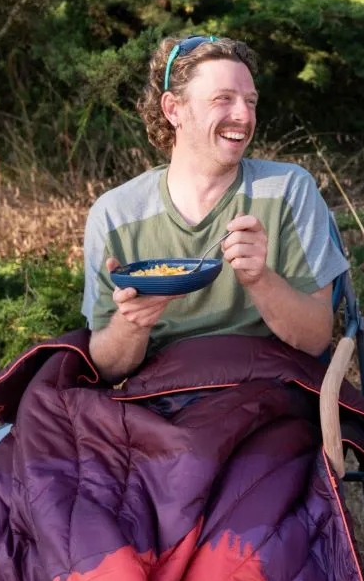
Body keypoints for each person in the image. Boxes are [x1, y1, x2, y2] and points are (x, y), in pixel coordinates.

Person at [82, 34, 348, 384]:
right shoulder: (116, 214)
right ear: (172, 109)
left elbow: (315, 339)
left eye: (250, 102)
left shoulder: (287, 191)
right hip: (159, 402)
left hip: (266, 392)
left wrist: (260, 280)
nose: (244, 116)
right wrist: (133, 322)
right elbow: (105, 368)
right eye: (224, 99)